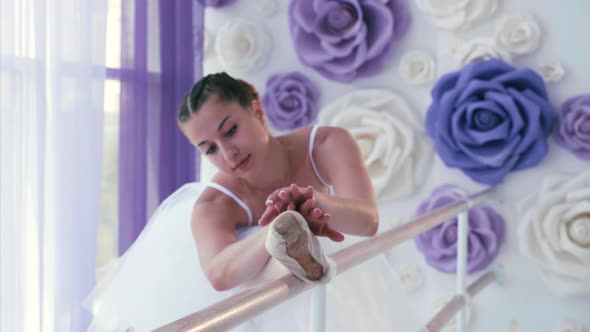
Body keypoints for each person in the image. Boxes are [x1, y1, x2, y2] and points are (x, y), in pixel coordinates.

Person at [83, 73, 420, 332]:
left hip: (327, 293)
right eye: (209, 148)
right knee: (264, 260)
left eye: (230, 131)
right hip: (245, 299)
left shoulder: (328, 142)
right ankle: (286, 244)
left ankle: (294, 248)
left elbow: (367, 220)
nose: (227, 153)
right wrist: (278, 227)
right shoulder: (212, 204)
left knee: (319, 261)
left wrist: (311, 201)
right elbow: (219, 275)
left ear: (256, 110)